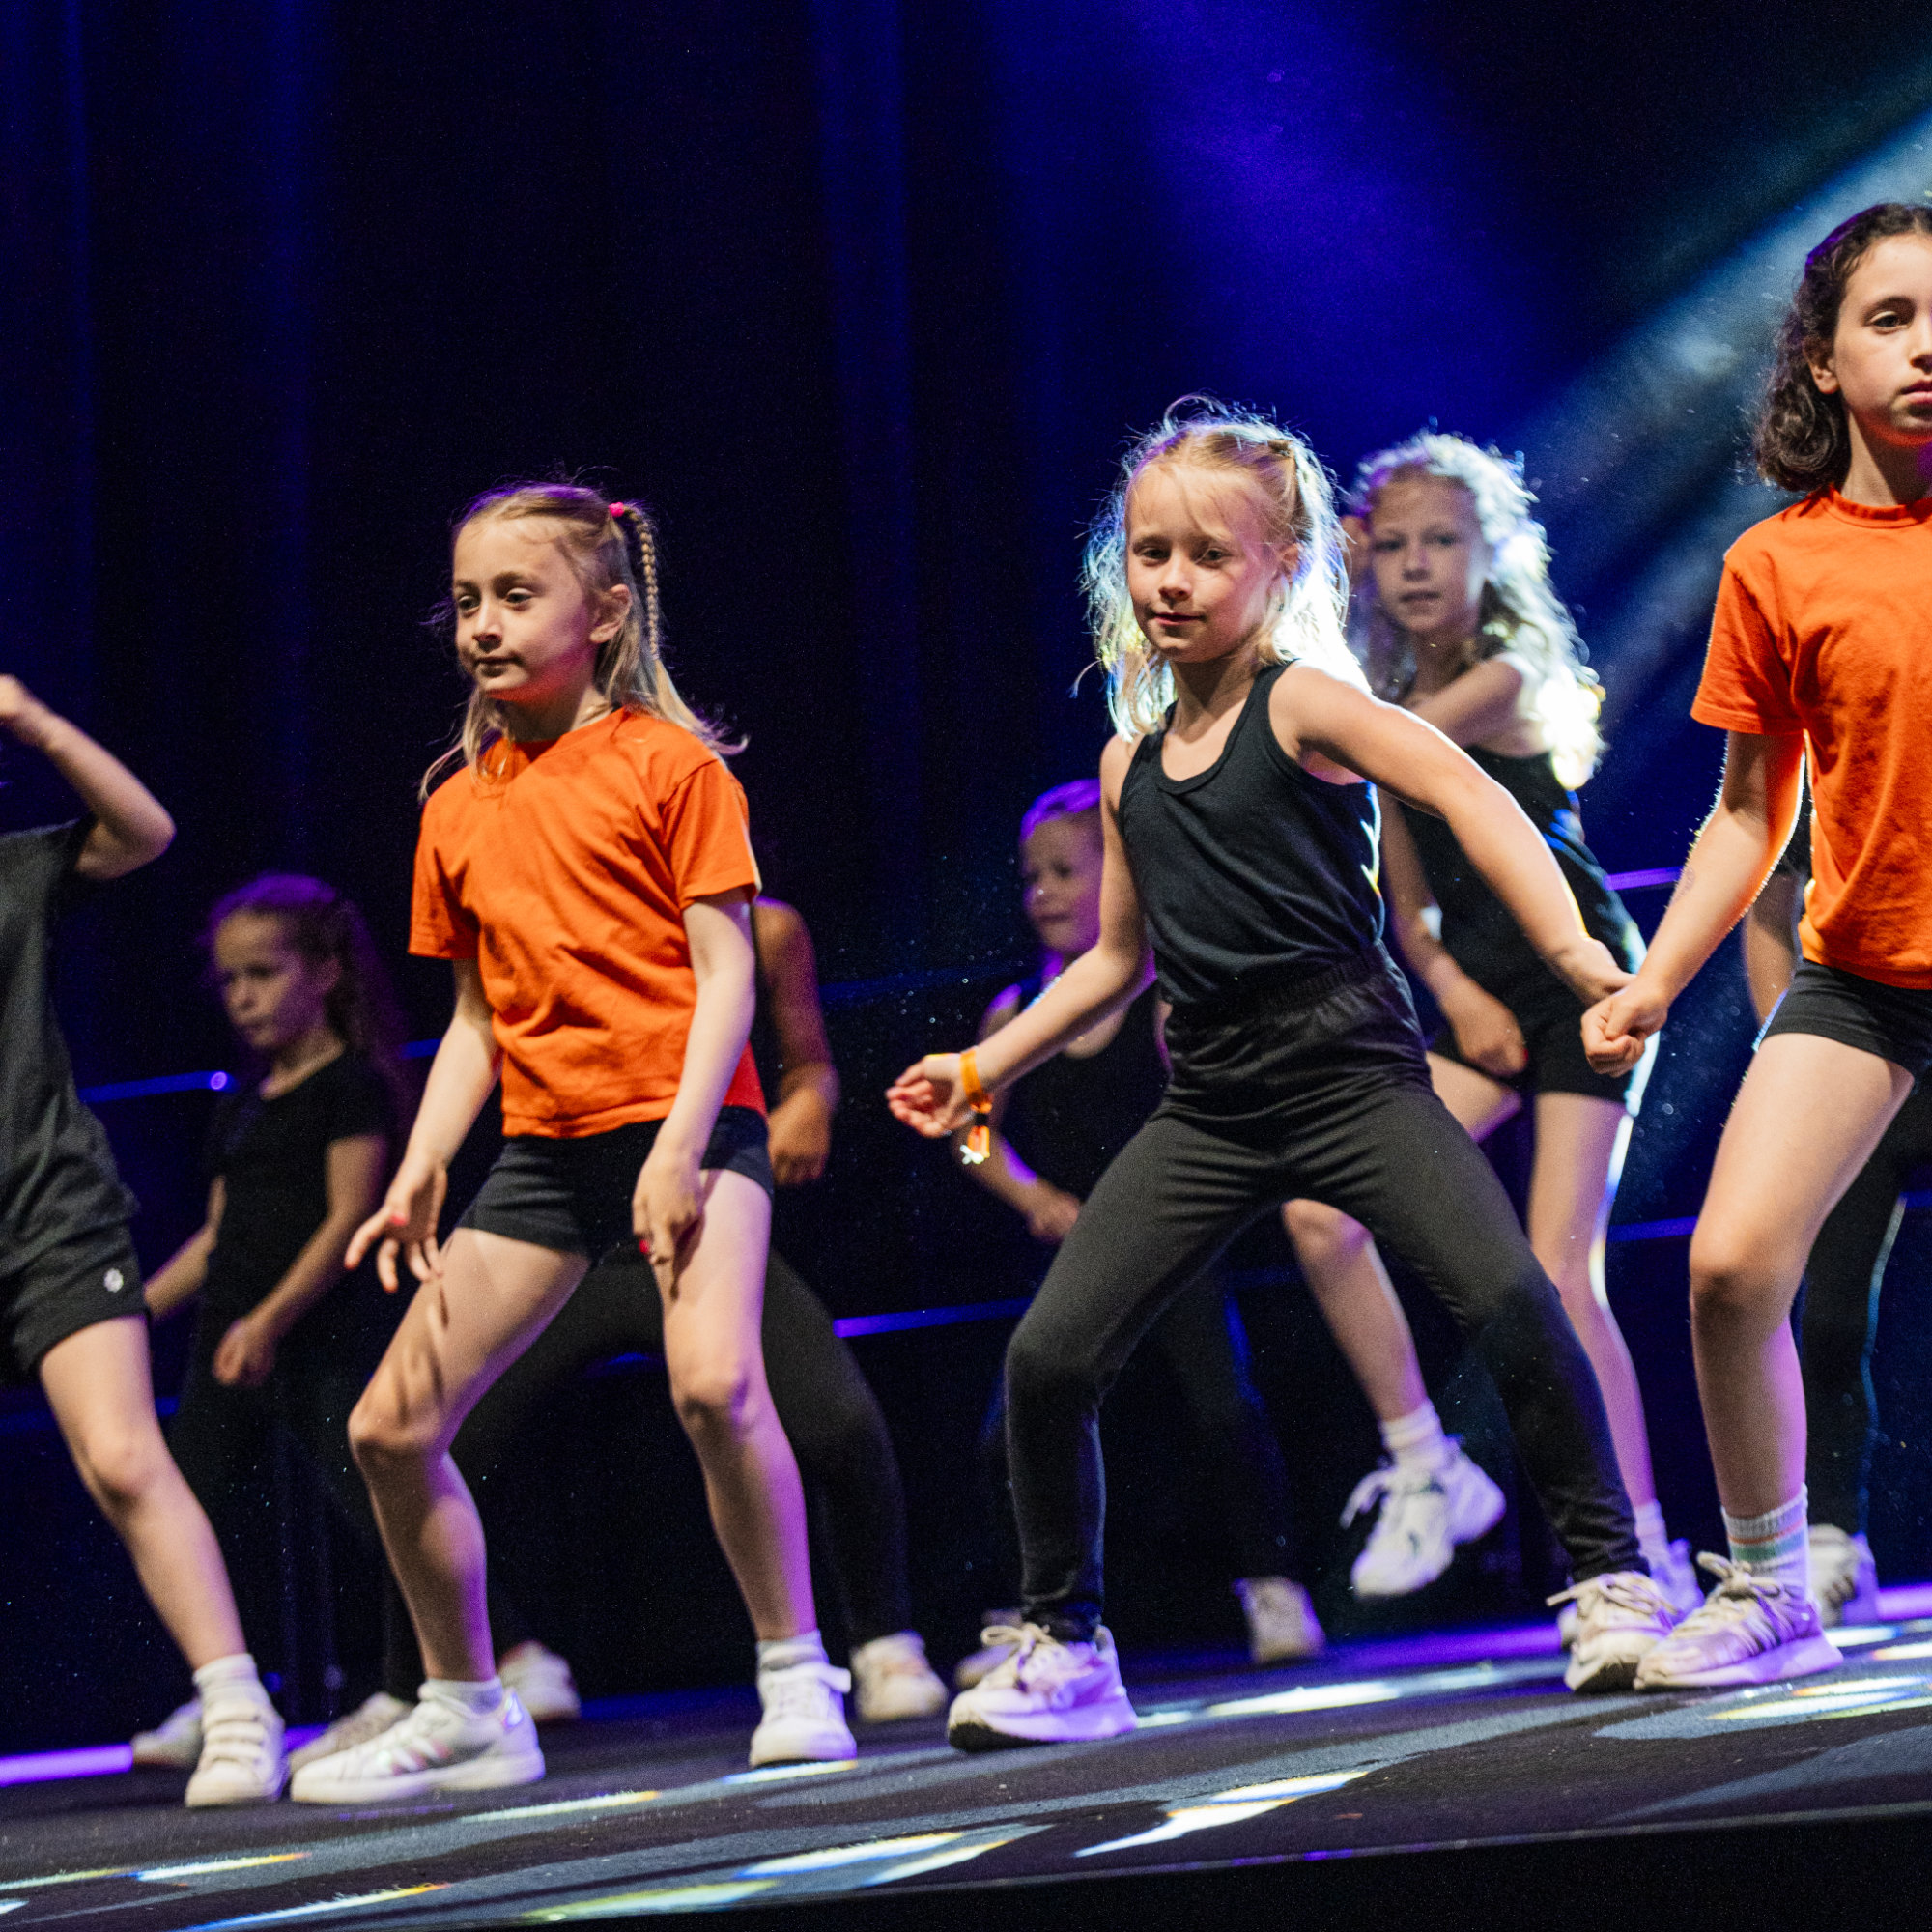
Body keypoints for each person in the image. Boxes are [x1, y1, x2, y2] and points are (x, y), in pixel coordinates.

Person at [890, 402, 1676, 1751]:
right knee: (1048, 1356)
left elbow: (1470, 793)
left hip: (1351, 1075)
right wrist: (980, 1064)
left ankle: (1610, 1580)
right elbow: (1116, 960)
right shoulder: (1128, 759)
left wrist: (1571, 953)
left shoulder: (1302, 699)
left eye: (1207, 554)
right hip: (1210, 1103)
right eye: (1150, 553)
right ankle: (1066, 1646)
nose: (1172, 581)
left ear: (1285, 562)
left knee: (1510, 1293)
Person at [290, 483, 852, 1803]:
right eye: (466, 602)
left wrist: (679, 1145)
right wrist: (424, 1161)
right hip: (546, 1153)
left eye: (514, 596)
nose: (482, 625)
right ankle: (467, 1707)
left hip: (694, 1127)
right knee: (388, 1427)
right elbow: (477, 1019)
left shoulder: (674, 766)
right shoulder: (455, 803)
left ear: (601, 614)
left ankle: (797, 1670)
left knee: (713, 1384)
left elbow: (726, 977)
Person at [289, 894, 945, 1772]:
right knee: (417, 1433)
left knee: (825, 1415)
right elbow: (483, 1020)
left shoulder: (764, 924)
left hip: (690, 1195)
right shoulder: (535, 884)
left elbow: (804, 1061)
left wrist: (803, 1104)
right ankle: (435, 1685)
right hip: (568, 1217)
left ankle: (878, 1641)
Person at [1587, 202, 1932, 1689]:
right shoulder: (1776, 567)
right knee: (1730, 1268)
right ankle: (1774, 1585)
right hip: (1866, 983)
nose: (1927, 346)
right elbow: (1748, 813)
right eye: (1892, 318)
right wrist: (1657, 980)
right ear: (1823, 363)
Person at [1281, 434, 1699, 1615]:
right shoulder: (1384, 702)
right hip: (1481, 999)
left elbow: (1384, 752)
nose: (1416, 564)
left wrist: (1322, 603)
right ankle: (1424, 1460)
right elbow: (1408, 909)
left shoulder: (1503, 674)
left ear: (1491, 554)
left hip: (1583, 984)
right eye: (1392, 545)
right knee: (1319, 1213)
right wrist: (1455, 995)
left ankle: (1643, 1548)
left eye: (1441, 541)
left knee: (1560, 1271)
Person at [0, 677, 281, 1805]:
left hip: (48, 1212)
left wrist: (34, 722)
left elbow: (145, 832)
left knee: (121, 1454)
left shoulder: (15, 871)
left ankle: (236, 1705)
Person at [1741, 805, 1918, 1627]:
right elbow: (1766, 908)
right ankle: (1833, 1535)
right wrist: (1790, 1051)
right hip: (1865, 1045)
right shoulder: (1819, 766)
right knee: (1833, 1314)